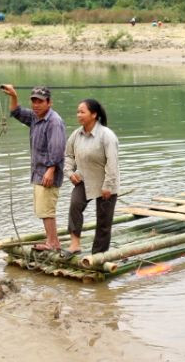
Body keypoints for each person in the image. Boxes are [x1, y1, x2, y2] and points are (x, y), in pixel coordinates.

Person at [1, 84, 66, 251]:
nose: (36, 105)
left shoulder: (54, 122)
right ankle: (51, 239)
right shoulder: (35, 117)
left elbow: (58, 150)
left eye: (40, 102)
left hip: (48, 173)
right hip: (39, 172)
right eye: (34, 101)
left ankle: (53, 243)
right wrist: (13, 96)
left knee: (47, 209)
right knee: (42, 209)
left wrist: (51, 170)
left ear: (49, 103)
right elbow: (16, 112)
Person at [63, 99, 120, 257]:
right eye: (78, 111)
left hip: (106, 182)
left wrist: (108, 185)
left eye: (82, 112)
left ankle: (98, 255)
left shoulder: (107, 136)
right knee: (75, 206)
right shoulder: (77, 134)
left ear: (94, 114)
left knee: (103, 221)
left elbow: (112, 162)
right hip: (84, 178)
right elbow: (68, 155)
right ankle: (75, 244)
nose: (78, 115)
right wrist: (69, 173)